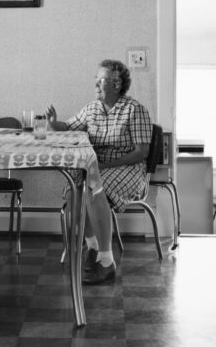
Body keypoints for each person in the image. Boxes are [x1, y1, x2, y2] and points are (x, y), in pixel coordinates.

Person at [47, 59, 152, 284]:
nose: (96, 84)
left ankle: (106, 261)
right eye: (96, 79)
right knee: (74, 189)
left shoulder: (135, 110)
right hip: (97, 165)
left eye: (101, 80)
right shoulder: (93, 108)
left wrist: (103, 167)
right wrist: (54, 123)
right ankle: (92, 246)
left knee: (92, 186)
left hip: (127, 168)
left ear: (116, 84)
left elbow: (141, 153)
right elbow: (68, 127)